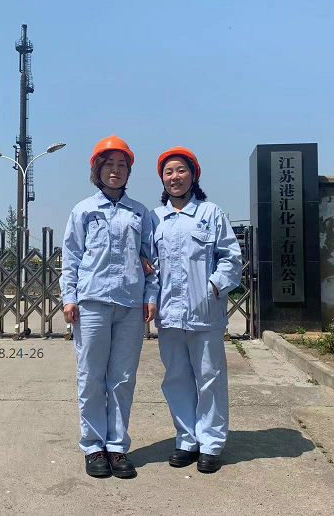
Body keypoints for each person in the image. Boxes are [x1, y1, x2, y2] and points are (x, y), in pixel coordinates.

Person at [61, 134, 158, 479]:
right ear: (97, 170)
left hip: (130, 304)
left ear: (129, 171)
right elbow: (71, 256)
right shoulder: (83, 210)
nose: (115, 171)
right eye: (108, 165)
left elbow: (152, 259)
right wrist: (69, 297)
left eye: (121, 165)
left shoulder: (140, 212)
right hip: (92, 303)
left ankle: (117, 446)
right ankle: (93, 447)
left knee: (122, 378)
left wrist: (150, 296)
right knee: (91, 376)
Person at [151, 146, 242, 474]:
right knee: (176, 378)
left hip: (205, 313)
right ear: (162, 179)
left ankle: (211, 443)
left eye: (181, 170)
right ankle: (186, 439)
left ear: (193, 175)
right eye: (168, 172)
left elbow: (231, 258)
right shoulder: (155, 219)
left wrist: (213, 287)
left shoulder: (210, 213)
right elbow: (150, 266)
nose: (174, 177)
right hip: (169, 314)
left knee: (210, 378)